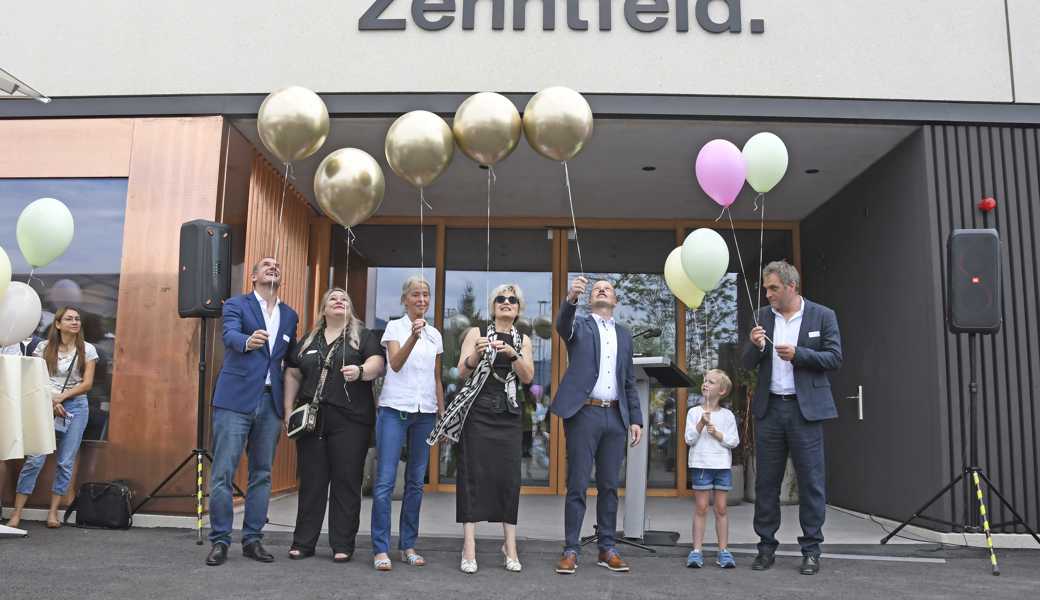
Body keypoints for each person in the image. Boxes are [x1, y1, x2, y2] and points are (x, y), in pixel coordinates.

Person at [742, 260, 842, 576]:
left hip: (805, 411)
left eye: (773, 288)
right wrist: (755, 346)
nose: (767, 293)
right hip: (770, 410)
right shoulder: (761, 317)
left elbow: (834, 357)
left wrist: (800, 354)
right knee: (766, 483)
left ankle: (811, 550)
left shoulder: (822, 315)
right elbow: (745, 363)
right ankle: (765, 548)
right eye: (766, 288)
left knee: (811, 483)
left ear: (791, 286)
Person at [205, 257, 299, 567]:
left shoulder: (290, 315)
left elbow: (292, 360)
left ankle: (252, 539)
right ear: (254, 276)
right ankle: (220, 540)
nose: (274, 267)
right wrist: (247, 341)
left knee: (262, 474)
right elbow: (229, 335)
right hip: (235, 399)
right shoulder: (236, 304)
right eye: (267, 265)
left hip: (270, 404)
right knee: (223, 473)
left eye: (277, 266)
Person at [283, 288, 385, 562]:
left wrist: (361, 371)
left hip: (351, 421)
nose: (339, 301)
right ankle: (303, 543)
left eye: (344, 299)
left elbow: (378, 363)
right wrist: (287, 409)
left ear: (350, 308)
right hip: (313, 421)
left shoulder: (363, 337)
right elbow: (292, 373)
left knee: (346, 482)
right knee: (312, 483)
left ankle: (342, 544)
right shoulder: (308, 339)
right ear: (324, 309)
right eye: (333, 299)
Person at [552, 276, 643, 575]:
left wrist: (636, 419)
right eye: (597, 288)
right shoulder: (580, 325)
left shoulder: (625, 335)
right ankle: (571, 549)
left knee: (609, 486)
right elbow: (561, 327)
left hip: (615, 417)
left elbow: (629, 380)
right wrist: (570, 299)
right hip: (584, 414)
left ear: (615, 301)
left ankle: (607, 547)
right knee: (577, 484)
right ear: (591, 299)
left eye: (609, 288)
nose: (602, 289)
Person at [453, 284, 534, 574]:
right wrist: (475, 355)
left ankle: (509, 546)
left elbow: (527, 377)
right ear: (493, 305)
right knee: (472, 475)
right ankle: (469, 546)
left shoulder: (522, 339)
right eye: (501, 299)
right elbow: (461, 371)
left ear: (518, 308)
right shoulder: (477, 332)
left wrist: (513, 354)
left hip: (509, 414)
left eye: (512, 300)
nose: (506, 303)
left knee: (509, 479)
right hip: (478, 412)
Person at [371, 276, 444, 571]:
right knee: (386, 481)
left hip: (424, 412)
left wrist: (442, 413)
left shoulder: (436, 334)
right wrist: (414, 336)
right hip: (393, 410)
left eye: (426, 295)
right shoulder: (394, 327)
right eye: (416, 295)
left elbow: (436, 378)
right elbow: (396, 363)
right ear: (405, 299)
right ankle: (380, 549)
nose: (422, 300)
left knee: (415, 482)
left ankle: (408, 545)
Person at [7, 307, 97, 529]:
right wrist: (52, 401)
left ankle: (54, 511)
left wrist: (62, 398)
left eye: (77, 319)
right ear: (58, 324)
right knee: (35, 458)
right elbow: (35, 378)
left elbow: (87, 383)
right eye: (69, 319)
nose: (75, 322)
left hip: (75, 405)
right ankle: (17, 513)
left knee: (66, 461)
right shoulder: (43, 348)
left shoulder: (87, 349)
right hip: (45, 403)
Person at [684, 369, 740, 569]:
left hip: (721, 466)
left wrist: (716, 433)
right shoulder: (694, 412)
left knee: (721, 509)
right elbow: (689, 439)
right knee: (701, 508)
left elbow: (734, 441)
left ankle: (723, 551)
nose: (705, 384)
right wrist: (701, 423)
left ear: (722, 390)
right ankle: (696, 551)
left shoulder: (727, 415)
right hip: (701, 465)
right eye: (705, 381)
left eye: (712, 382)